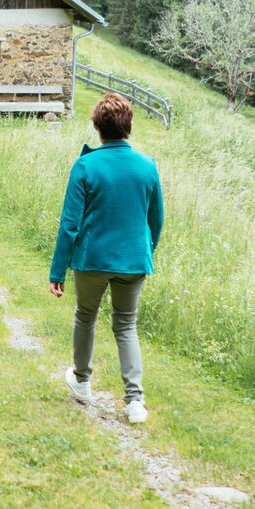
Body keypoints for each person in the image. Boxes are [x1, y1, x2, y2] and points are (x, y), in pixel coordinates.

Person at [49, 92, 164, 424]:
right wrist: (145, 250)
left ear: (97, 127)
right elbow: (155, 220)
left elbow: (70, 223)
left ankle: (82, 380)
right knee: (126, 325)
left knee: (86, 316)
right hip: (133, 260)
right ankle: (135, 401)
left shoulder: (86, 165)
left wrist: (58, 269)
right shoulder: (147, 166)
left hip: (92, 259)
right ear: (128, 126)